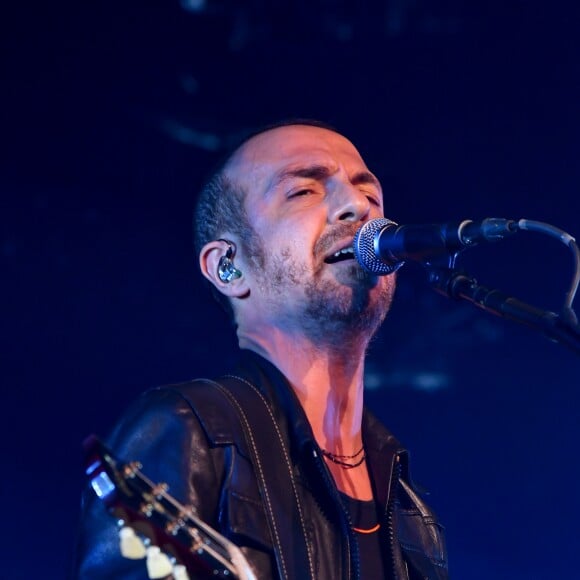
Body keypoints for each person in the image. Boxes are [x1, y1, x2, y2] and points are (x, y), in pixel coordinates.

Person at [74, 121, 448, 579]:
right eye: (304, 191)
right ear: (229, 268)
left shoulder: (405, 499)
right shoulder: (189, 428)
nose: (357, 207)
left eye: (370, 196)